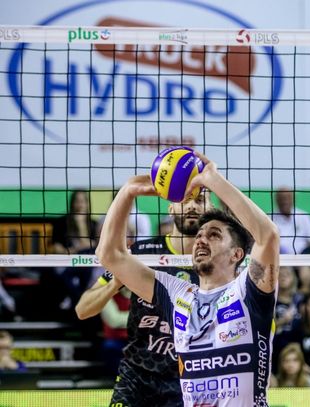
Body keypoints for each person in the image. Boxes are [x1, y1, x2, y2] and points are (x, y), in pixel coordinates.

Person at [95, 151, 280, 406]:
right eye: (200, 234)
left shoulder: (250, 291)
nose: (201, 239)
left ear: (237, 254)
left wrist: (214, 180)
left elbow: (268, 236)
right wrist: (128, 191)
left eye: (214, 235)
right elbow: (109, 255)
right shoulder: (177, 294)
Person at [76, 191, 212, 407]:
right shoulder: (142, 253)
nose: (192, 206)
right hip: (137, 375)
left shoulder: (217, 262)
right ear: (171, 209)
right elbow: (83, 310)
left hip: (189, 378)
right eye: (185, 200)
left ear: (210, 210)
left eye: (200, 200)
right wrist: (115, 283)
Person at [272, 187, 310, 254]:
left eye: (288, 198)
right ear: (276, 200)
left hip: (303, 257)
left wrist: (304, 254)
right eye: (281, 198)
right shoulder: (269, 218)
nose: (284, 201)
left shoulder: (304, 217)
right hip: (277, 257)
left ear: (293, 199)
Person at [52, 190, 98, 254]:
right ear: (72, 203)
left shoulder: (94, 224)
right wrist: (72, 251)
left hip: (88, 257)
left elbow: (95, 245)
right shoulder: (61, 222)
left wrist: (81, 224)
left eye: (82, 201)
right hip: (68, 257)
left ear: (87, 204)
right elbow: (56, 247)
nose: (80, 205)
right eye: (77, 201)